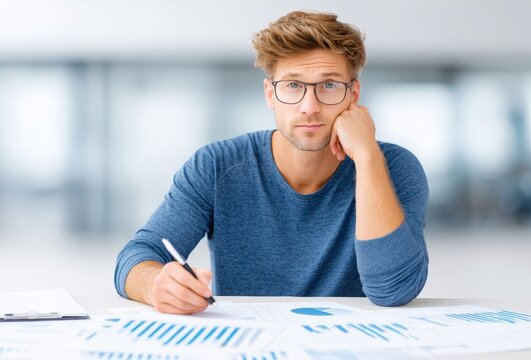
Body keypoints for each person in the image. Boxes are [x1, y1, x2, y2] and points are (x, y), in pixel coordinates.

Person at [114, 10, 429, 314]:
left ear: (353, 94)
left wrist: (368, 156)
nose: (310, 106)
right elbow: (135, 258)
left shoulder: (395, 167)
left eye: (329, 85)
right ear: (269, 94)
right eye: (292, 85)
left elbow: (394, 290)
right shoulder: (215, 166)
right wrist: (157, 284)